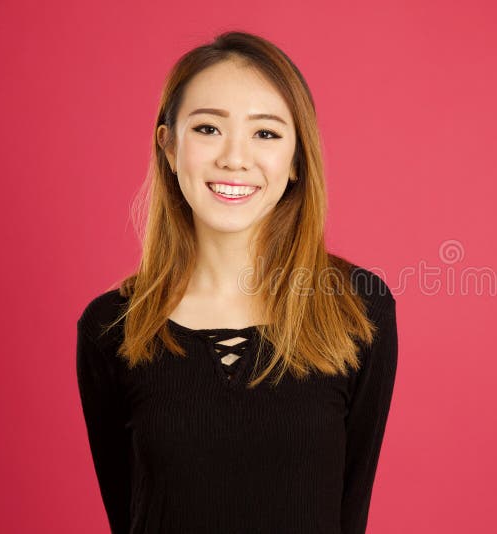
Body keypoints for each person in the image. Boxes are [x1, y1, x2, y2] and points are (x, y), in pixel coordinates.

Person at [76, 31, 398, 534]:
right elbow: (129, 513)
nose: (234, 158)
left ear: (296, 159)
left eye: (266, 134)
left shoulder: (359, 309)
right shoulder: (112, 326)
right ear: (168, 145)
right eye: (207, 129)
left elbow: (349, 510)